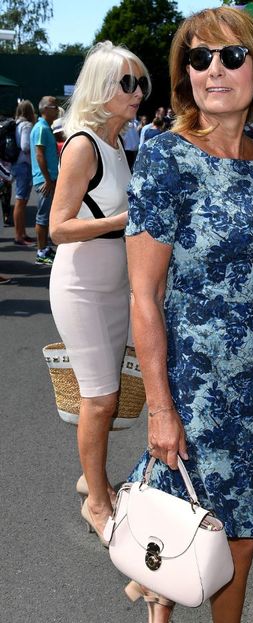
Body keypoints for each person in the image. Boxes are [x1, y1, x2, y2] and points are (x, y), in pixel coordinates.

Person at [126, 7, 253, 623]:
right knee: (240, 532)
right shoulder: (167, 155)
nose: (214, 71)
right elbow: (143, 293)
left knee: (199, 515)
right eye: (198, 60)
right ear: (183, 76)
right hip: (193, 378)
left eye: (230, 57)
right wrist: (161, 408)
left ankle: (161, 587)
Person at [48, 41, 148, 548]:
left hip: (113, 290)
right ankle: (96, 501)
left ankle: (94, 476)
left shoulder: (117, 144)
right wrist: (126, 221)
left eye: (140, 83)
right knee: (100, 398)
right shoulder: (84, 143)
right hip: (82, 288)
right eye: (126, 84)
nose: (137, 93)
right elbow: (58, 228)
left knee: (105, 398)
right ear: (101, 89)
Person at [31, 96, 60, 265]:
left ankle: (44, 248)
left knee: (46, 216)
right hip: (44, 180)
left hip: (46, 178)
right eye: (54, 106)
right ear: (45, 109)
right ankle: (41, 252)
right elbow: (39, 154)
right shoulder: (41, 128)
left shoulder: (44, 127)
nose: (57, 109)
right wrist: (48, 180)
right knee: (42, 217)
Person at [11, 100, 35, 247]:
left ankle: (22, 233)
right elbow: (25, 146)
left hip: (18, 165)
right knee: (20, 201)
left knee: (21, 201)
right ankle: (19, 236)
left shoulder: (17, 124)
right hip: (24, 165)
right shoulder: (26, 125)